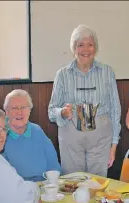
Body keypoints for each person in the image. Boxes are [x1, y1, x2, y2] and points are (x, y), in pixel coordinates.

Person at [48, 24, 121, 177]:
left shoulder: (107, 72)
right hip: (71, 137)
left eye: (90, 45)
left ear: (96, 48)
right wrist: (62, 112)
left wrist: (113, 145)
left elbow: (115, 110)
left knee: (97, 184)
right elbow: (51, 110)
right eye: (80, 45)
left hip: (101, 137)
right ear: (74, 48)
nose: (86, 50)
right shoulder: (62, 75)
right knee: (73, 182)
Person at [3, 89, 61, 182]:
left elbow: (53, 163)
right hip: (16, 188)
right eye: (14, 108)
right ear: (6, 111)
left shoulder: (37, 130)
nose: (19, 112)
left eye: (23, 107)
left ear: (30, 110)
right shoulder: (0, 135)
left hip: (44, 185)